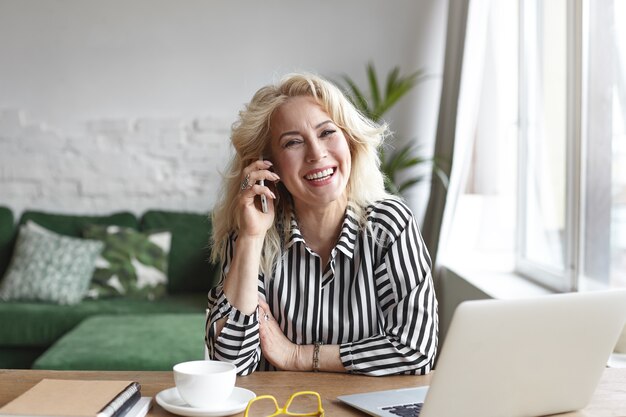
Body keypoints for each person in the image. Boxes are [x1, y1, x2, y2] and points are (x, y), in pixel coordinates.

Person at [205, 72, 438, 376]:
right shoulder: (255, 233)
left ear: (350, 141)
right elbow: (229, 367)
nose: (317, 153)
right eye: (293, 142)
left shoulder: (388, 225)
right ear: (269, 164)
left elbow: (416, 351)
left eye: (327, 133)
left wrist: (298, 356)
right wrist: (250, 237)